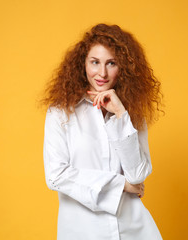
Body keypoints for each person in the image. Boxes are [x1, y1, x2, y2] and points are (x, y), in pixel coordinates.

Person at [38, 23, 164, 240]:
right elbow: (56, 175)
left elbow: (138, 175)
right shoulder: (60, 113)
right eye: (95, 62)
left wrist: (120, 115)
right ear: (83, 64)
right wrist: (122, 185)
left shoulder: (130, 113)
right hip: (84, 231)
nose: (102, 73)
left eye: (111, 63)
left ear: (122, 67)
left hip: (133, 230)